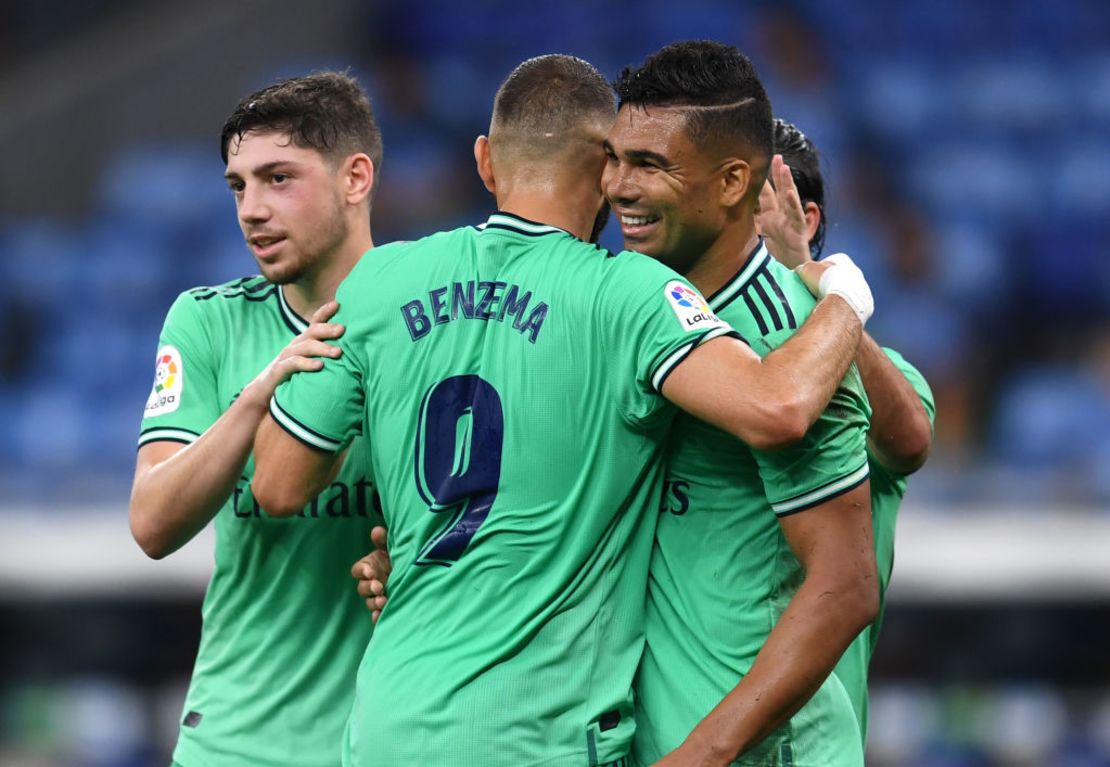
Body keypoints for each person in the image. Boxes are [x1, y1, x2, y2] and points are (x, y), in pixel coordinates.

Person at [250, 53, 873, 767]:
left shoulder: (379, 279)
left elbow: (275, 484)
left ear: (485, 161)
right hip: (537, 736)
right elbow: (778, 403)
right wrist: (846, 293)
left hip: (390, 723)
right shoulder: (626, 296)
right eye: (621, 163)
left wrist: (424, 534)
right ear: (601, 169)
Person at [601, 41, 879, 766]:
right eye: (615, 158)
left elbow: (846, 586)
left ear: (732, 183)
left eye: (649, 165)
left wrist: (702, 753)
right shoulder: (629, 310)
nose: (618, 188)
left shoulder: (790, 338)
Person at [128, 71, 384, 767]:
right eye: (238, 185)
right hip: (239, 743)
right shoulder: (207, 322)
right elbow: (152, 523)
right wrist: (256, 398)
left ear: (355, 178)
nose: (252, 209)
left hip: (393, 738)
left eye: (278, 178)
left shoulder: (427, 321)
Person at [758, 117, 935, 746]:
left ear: (803, 220)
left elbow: (910, 440)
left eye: (750, 208)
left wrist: (819, 286)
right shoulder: (689, 362)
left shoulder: (891, 379)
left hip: (808, 742)